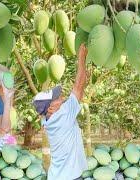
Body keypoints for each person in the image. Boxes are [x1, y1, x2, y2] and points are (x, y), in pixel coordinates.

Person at [32, 44, 89, 180]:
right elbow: (79, 87)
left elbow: (73, 94)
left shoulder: (47, 120)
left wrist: (60, 101)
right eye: (56, 98)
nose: (61, 98)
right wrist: (81, 58)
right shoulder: (63, 117)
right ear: (51, 109)